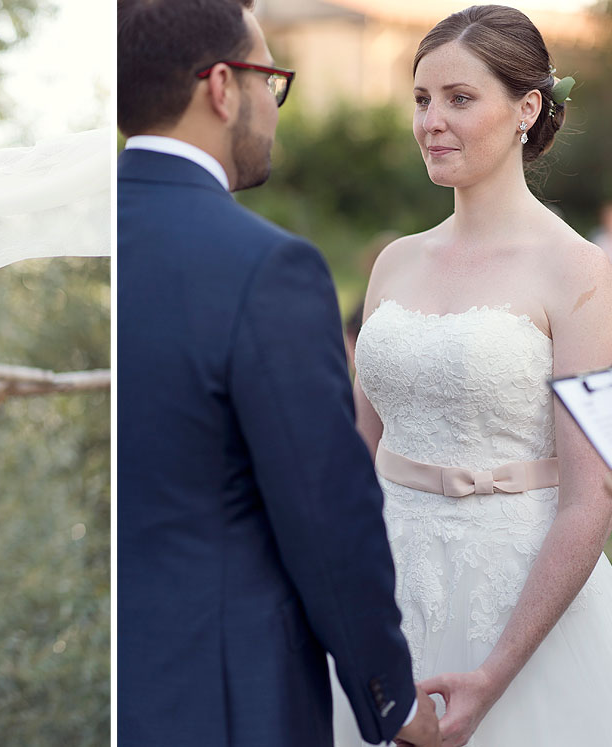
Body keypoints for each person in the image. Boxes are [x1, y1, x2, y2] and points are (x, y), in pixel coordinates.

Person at [117, 0, 440, 745]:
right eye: (271, 77)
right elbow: (325, 511)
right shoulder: (266, 267)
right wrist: (389, 695)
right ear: (223, 86)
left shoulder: (97, 241)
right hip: (227, 695)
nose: (274, 103)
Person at [337, 5, 612, 746]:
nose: (432, 120)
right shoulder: (394, 261)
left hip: (516, 607)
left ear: (526, 109)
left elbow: (593, 500)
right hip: (386, 593)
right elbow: (354, 463)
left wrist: (493, 674)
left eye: (460, 98)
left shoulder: (585, 274)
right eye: (422, 100)